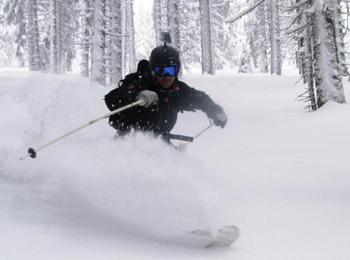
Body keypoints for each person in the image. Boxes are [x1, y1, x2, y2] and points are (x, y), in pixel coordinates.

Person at [104, 43, 227, 143]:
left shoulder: (177, 91)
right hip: (128, 142)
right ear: (152, 71)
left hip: (161, 144)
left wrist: (214, 110)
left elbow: (199, 98)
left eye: (171, 70)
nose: (166, 76)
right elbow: (112, 99)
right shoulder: (140, 83)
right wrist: (136, 97)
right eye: (160, 71)